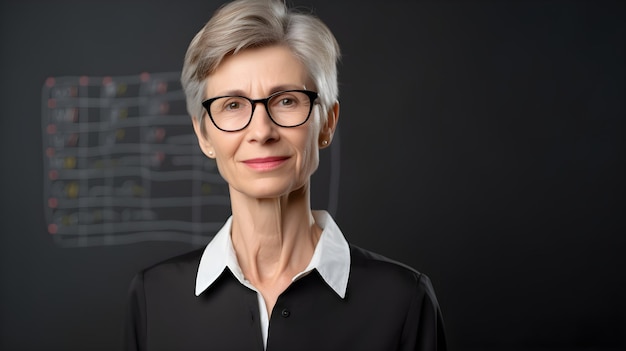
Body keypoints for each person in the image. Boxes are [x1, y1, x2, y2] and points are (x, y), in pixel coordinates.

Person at [124, 0, 446, 350]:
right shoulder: (153, 299)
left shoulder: (403, 301)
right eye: (233, 105)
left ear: (327, 123)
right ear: (204, 135)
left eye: (287, 101)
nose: (261, 132)